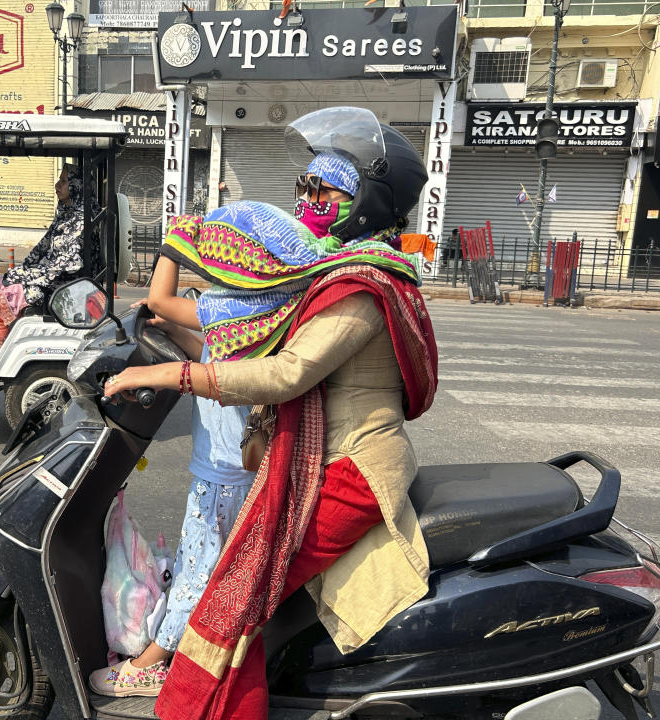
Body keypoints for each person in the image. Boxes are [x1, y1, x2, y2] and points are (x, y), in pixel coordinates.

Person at [102, 108, 439, 720]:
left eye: (326, 188)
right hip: (321, 460)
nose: (311, 199)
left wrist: (166, 374)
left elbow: (286, 375)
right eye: (305, 187)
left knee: (236, 591)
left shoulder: (362, 286)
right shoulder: (328, 273)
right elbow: (248, 340)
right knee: (239, 591)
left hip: (352, 468)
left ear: (366, 201)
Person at [87, 253, 257, 698]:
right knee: (192, 564)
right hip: (222, 469)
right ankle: (171, 647)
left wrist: (172, 247)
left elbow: (158, 301)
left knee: (199, 573)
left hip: (225, 474)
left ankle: (151, 665)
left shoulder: (241, 306)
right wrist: (175, 331)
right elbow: (215, 354)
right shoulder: (250, 308)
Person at [0, 165, 102, 347]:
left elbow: (64, 266)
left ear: (76, 186)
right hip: (44, 278)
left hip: (59, 286)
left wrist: (24, 276)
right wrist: (21, 271)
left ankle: (1, 345)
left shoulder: (82, 220)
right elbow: (41, 249)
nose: (57, 185)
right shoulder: (66, 214)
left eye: (63, 181)